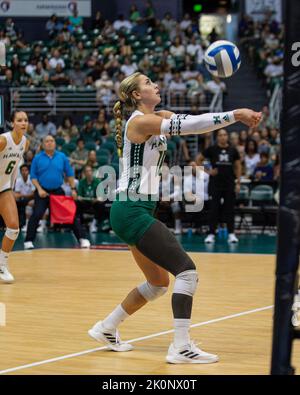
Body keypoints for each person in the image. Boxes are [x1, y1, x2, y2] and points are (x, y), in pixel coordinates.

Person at [88, 72, 261, 363]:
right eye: (148, 84)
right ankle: (181, 346)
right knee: (187, 271)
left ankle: (106, 328)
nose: (156, 85)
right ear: (136, 96)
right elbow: (191, 126)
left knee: (158, 283)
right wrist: (236, 114)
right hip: (131, 209)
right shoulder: (141, 122)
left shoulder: (157, 117)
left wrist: (230, 116)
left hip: (135, 210)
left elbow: (198, 119)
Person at [24, 135, 90, 250]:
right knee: (36, 214)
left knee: (69, 214)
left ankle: (82, 238)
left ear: (55, 143)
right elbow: (33, 177)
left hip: (58, 190)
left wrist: (73, 189)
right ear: (43, 145)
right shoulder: (37, 158)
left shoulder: (62, 157)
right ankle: (28, 241)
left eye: (52, 141)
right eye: (47, 141)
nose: (49, 143)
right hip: (42, 191)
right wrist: (39, 189)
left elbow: (69, 174)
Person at [0, 111, 30, 283]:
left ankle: (2, 265)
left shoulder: (25, 143)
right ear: (12, 123)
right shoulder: (3, 140)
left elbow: (13, 168)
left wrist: (10, 188)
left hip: (3, 188)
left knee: (13, 228)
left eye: (25, 120)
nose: (23, 123)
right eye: (19, 120)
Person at [200, 129, 242, 244]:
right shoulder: (212, 149)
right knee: (214, 209)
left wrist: (238, 183)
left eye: (224, 135)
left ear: (227, 137)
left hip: (229, 183)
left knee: (230, 209)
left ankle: (231, 234)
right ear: (217, 137)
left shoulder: (233, 150)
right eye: (220, 135)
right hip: (215, 184)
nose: (223, 137)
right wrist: (208, 171)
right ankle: (211, 234)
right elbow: (197, 160)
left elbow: (238, 167)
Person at [76, 165, 105, 233]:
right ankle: (81, 223)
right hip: (86, 202)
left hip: (95, 202)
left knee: (101, 205)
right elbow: (79, 196)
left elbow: (101, 196)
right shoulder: (82, 182)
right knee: (77, 203)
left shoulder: (97, 182)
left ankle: (94, 222)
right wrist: (80, 198)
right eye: (87, 171)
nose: (89, 173)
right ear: (84, 173)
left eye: (90, 171)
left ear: (92, 172)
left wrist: (97, 199)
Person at [14, 164, 35, 230]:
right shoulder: (18, 180)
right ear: (20, 172)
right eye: (22, 170)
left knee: (30, 204)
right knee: (14, 203)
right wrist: (22, 196)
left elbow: (33, 194)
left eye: (26, 170)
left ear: (28, 171)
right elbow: (16, 194)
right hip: (22, 200)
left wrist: (22, 195)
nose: (24, 172)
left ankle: (27, 224)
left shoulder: (32, 179)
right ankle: (16, 225)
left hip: (31, 199)